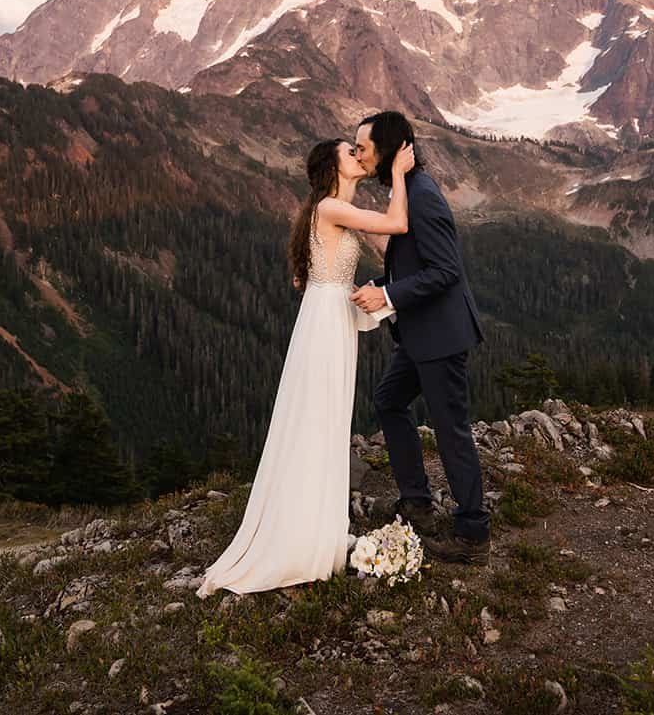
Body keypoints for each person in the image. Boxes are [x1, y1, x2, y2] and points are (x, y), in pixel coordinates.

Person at [197, 136, 416, 597]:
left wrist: (371, 300)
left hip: (327, 318)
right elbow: (397, 222)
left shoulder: (325, 208)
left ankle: (316, 526)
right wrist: (397, 171)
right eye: (349, 152)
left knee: (324, 421)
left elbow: (327, 278)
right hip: (324, 327)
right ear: (332, 167)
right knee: (320, 421)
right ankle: (306, 534)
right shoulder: (332, 208)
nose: (358, 156)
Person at [349, 110, 490, 565]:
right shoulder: (406, 191)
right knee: (390, 399)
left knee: (451, 431)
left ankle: (473, 533)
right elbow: (411, 264)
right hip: (418, 333)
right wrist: (381, 285)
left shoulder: (423, 196)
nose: (357, 155)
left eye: (363, 148)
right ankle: (417, 501)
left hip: (441, 336)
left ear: (389, 150)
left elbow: (445, 271)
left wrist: (388, 293)